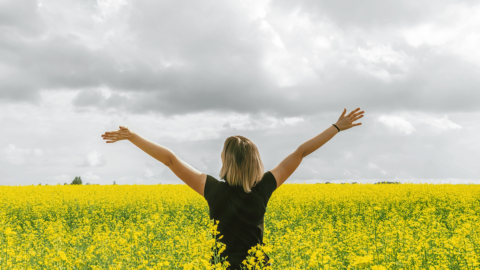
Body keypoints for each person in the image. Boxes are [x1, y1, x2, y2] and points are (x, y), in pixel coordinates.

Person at [101, 108, 364, 269]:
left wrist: (133, 137)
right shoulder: (265, 187)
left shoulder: (212, 189)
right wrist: (336, 128)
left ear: (226, 161)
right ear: (256, 161)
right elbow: (301, 152)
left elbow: (170, 159)